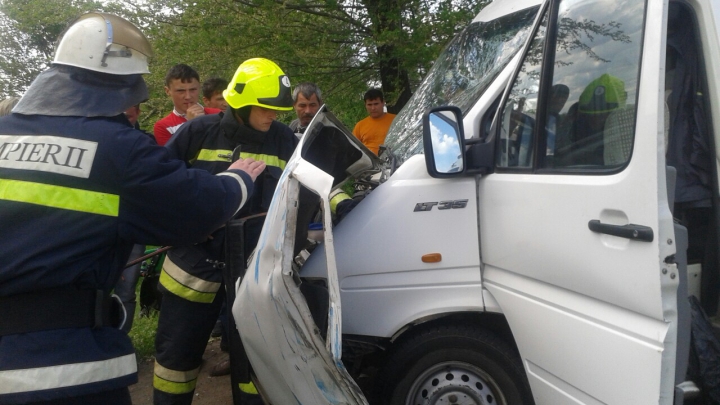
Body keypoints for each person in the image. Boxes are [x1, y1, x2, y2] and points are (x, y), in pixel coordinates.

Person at [0, 12, 265, 405]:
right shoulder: (118, 150)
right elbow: (195, 210)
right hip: (59, 369)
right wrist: (239, 178)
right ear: (120, 87)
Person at [154, 57, 298, 405]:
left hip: (251, 273)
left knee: (253, 361)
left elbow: (310, 181)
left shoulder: (283, 139)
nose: (272, 116)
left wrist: (341, 203)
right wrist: (186, 223)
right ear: (242, 104)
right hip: (191, 270)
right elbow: (157, 188)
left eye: (277, 109)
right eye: (265, 108)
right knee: (176, 363)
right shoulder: (197, 133)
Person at [153, 64, 222, 146]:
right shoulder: (163, 127)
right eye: (180, 91)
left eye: (193, 89)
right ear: (168, 91)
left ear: (199, 88)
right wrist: (192, 126)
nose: (188, 96)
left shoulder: (218, 114)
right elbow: (173, 157)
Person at [352, 88, 396, 155]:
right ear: (365, 105)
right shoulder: (359, 126)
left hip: (394, 161)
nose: (373, 108)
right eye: (369, 105)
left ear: (383, 103)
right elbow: (353, 148)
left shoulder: (396, 120)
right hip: (369, 163)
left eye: (376, 104)